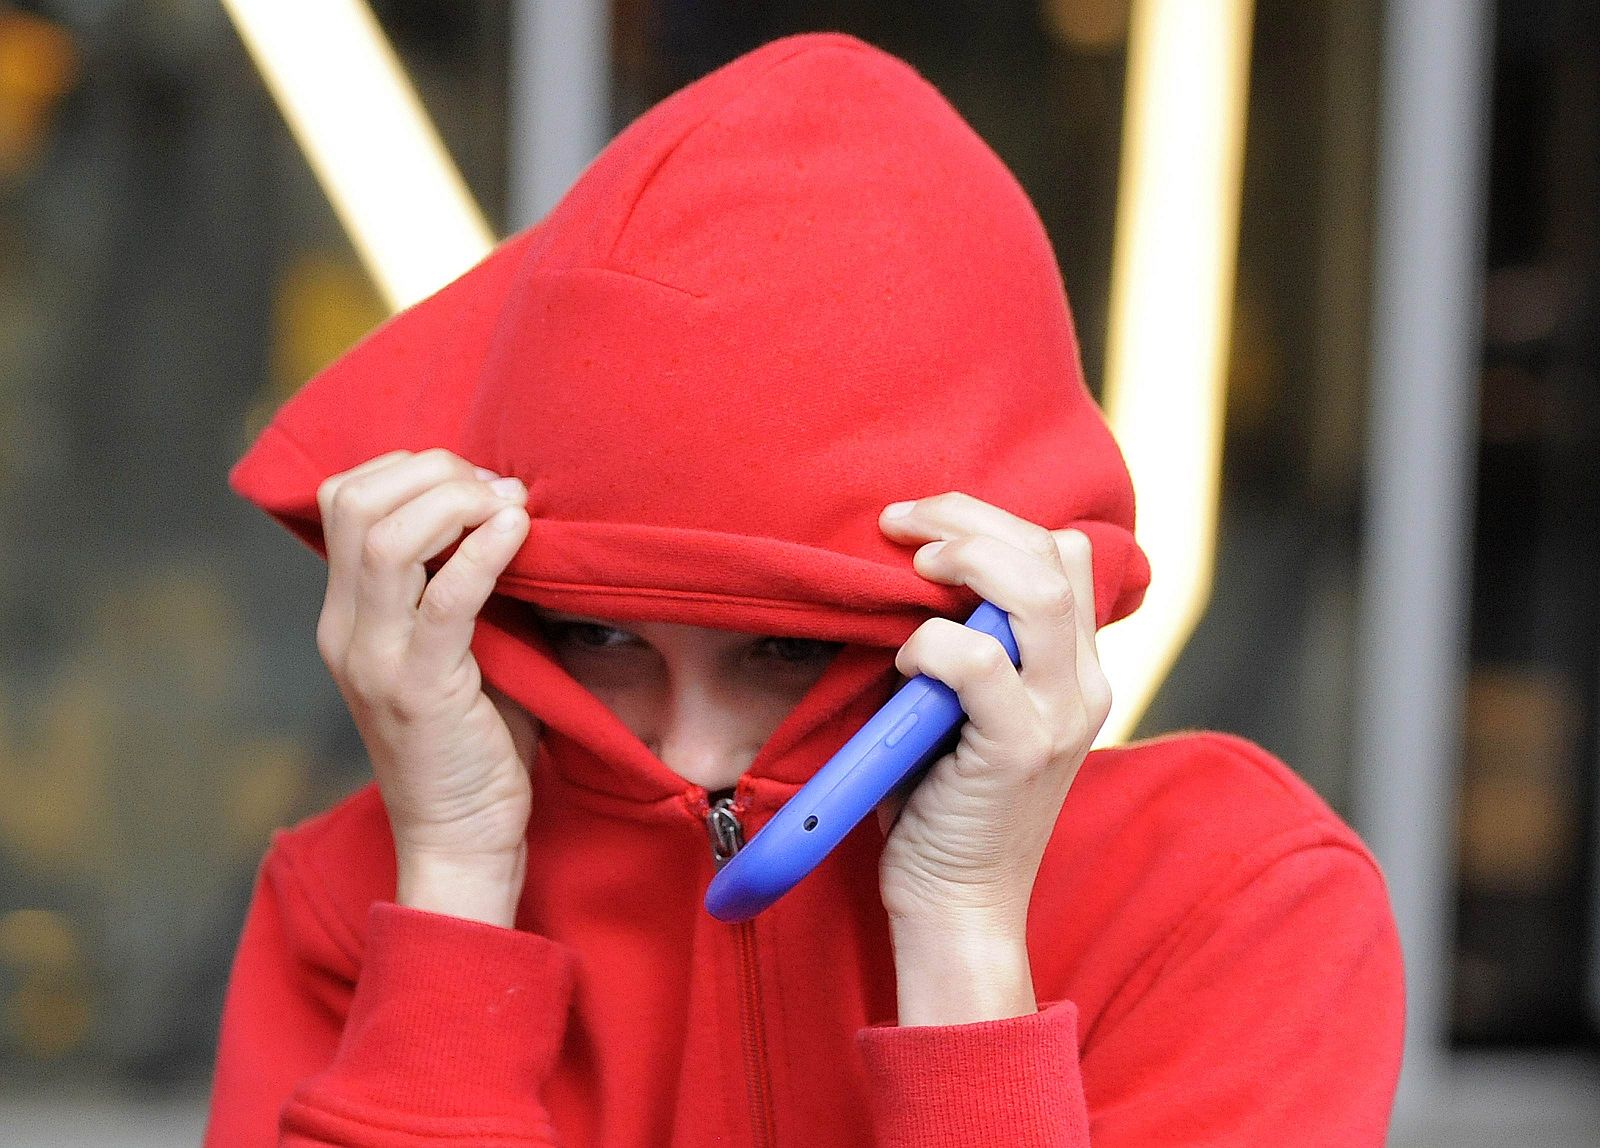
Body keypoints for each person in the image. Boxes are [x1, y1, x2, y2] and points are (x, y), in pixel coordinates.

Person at [204, 31, 1404, 1147]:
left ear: (978, 612)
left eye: (780, 649)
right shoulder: (355, 898)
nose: (693, 745)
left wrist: (964, 935)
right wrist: (457, 886)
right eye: (597, 631)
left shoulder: (1236, 904)